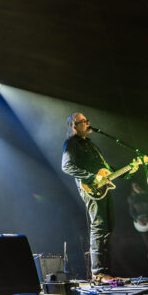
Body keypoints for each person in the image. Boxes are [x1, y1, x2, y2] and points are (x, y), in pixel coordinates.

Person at [61, 112, 135, 283]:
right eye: (83, 121)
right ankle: (98, 273)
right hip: (90, 188)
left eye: (88, 120)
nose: (88, 123)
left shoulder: (91, 145)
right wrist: (91, 177)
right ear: (74, 125)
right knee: (99, 226)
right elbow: (67, 166)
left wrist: (127, 171)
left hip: (103, 188)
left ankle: (106, 272)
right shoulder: (71, 143)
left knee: (109, 227)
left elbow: (106, 169)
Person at [127, 180, 148, 270]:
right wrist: (137, 219)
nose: (136, 187)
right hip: (140, 222)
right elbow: (131, 211)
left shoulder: (147, 195)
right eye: (134, 186)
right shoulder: (131, 198)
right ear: (132, 189)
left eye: (137, 185)